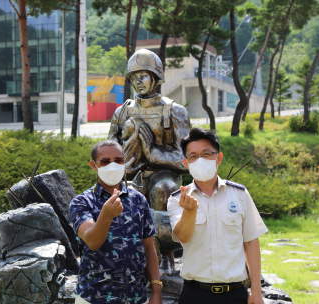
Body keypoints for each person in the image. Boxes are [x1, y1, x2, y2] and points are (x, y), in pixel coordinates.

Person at [108, 48, 191, 275]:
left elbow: (187, 160)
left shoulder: (174, 111)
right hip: (131, 173)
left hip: (163, 174)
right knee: (115, 197)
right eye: (133, 78)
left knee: (163, 189)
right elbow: (107, 150)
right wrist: (123, 159)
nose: (138, 83)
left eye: (143, 76)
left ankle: (166, 256)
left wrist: (154, 154)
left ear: (155, 77)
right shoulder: (123, 112)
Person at [167, 128, 268, 304]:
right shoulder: (177, 200)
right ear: (186, 163)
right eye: (193, 156)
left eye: (206, 154)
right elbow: (183, 236)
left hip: (234, 294)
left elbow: (251, 242)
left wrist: (256, 291)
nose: (200, 160)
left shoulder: (240, 195)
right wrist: (189, 211)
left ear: (218, 158)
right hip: (195, 294)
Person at [69, 140, 163, 304]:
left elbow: (149, 247)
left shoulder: (138, 200)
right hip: (94, 298)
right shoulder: (81, 203)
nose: (112, 165)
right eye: (105, 161)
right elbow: (92, 241)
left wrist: (156, 291)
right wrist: (105, 216)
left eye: (118, 160)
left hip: (136, 297)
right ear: (94, 165)